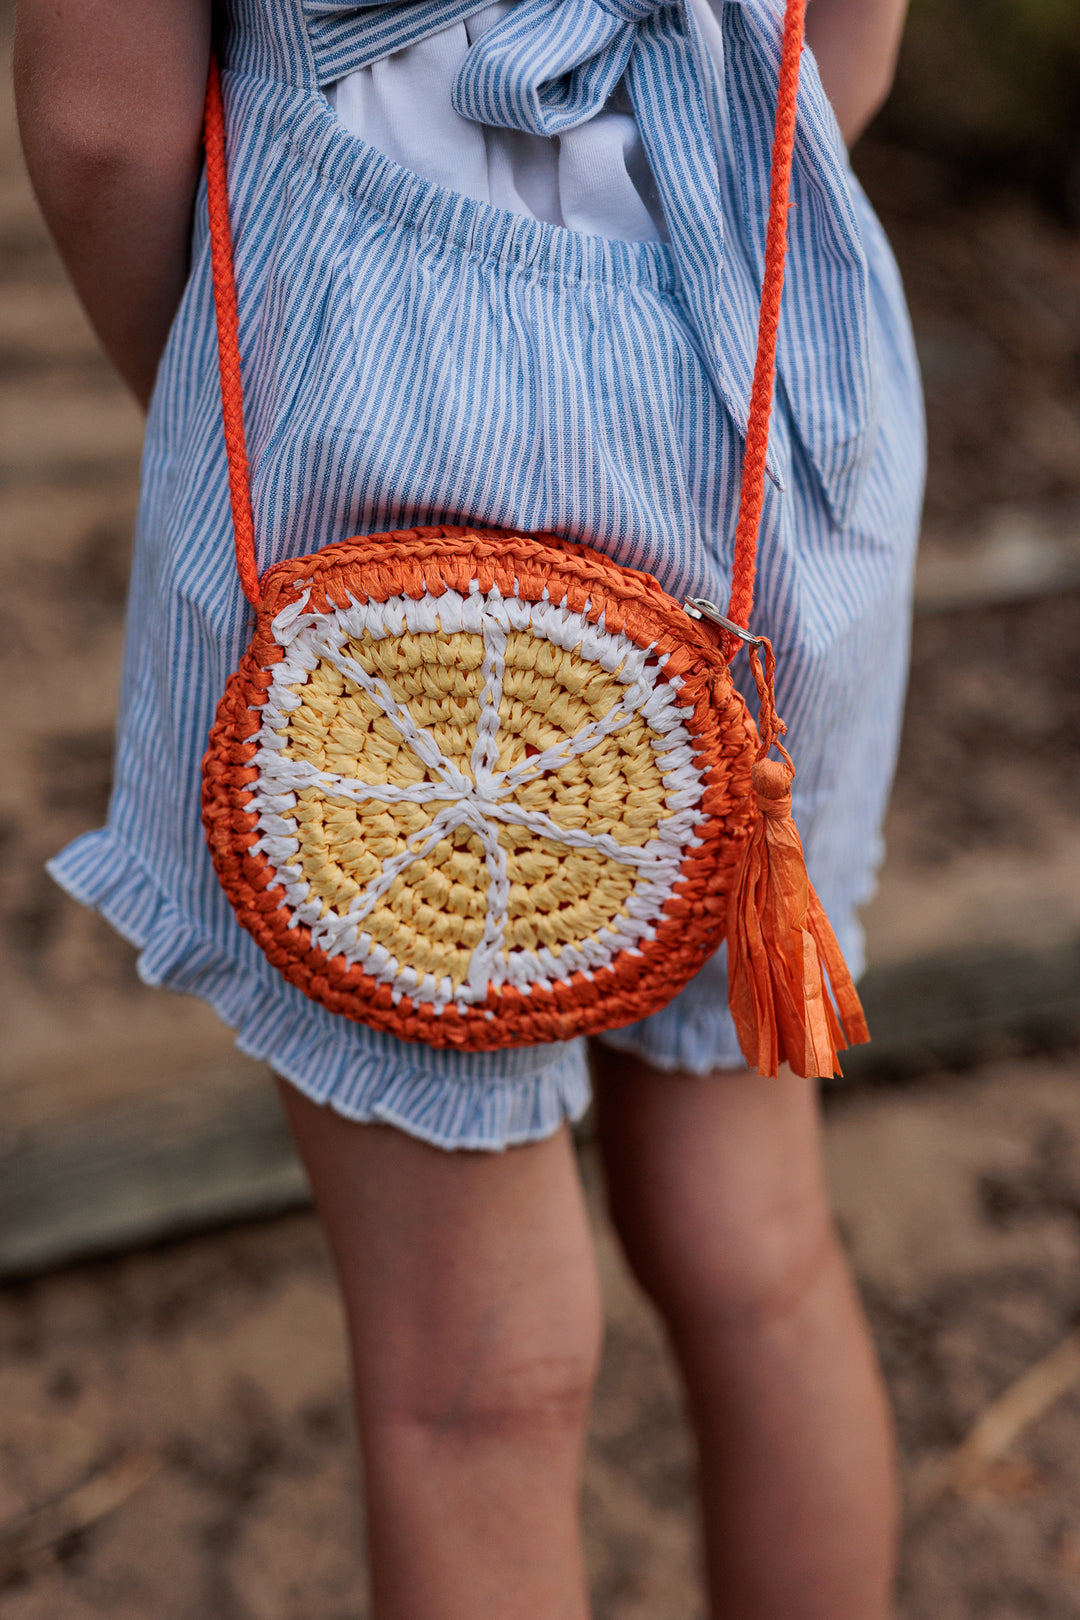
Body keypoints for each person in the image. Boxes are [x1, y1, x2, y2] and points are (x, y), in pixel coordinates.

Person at [15, 0, 922, 1614]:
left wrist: (234, 382)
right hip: (766, 392)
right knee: (759, 1254)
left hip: (376, 414)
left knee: (473, 1386)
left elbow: (100, 125)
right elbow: (849, 41)